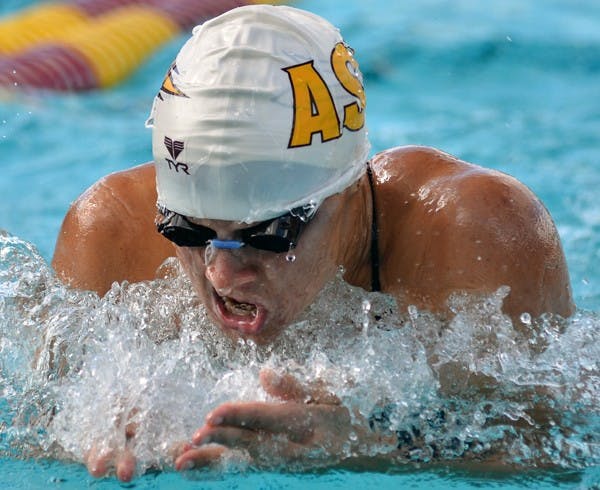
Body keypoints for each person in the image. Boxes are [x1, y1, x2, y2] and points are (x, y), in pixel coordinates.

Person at [51, 4, 574, 482]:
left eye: (268, 234)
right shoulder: (111, 232)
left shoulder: (476, 234)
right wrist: (79, 427)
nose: (222, 275)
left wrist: (383, 443)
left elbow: (556, 448)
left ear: (348, 191)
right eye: (188, 231)